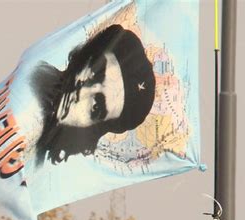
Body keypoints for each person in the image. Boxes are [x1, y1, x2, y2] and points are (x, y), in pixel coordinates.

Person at [31, 24, 156, 165]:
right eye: (95, 74)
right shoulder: (32, 78)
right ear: (86, 59)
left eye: (96, 107)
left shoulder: (42, 166)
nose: (81, 93)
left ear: (93, 128)